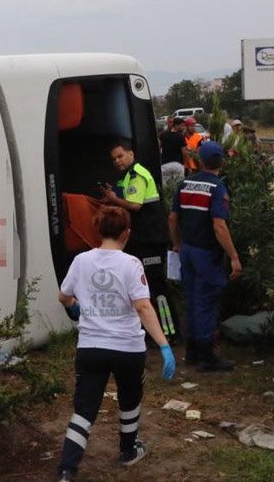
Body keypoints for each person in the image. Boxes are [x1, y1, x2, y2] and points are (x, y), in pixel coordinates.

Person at [56, 206, 175, 482]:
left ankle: (66, 470)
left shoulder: (81, 261)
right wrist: (164, 345)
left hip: (91, 347)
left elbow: (63, 296)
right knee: (130, 399)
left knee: (84, 410)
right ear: (127, 233)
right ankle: (128, 450)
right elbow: (144, 307)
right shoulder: (131, 264)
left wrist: (76, 307)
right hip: (127, 348)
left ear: (99, 231)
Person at [169, 141, 241, 372]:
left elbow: (172, 218)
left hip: (188, 251)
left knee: (191, 299)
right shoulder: (218, 188)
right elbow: (219, 226)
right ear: (221, 162)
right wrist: (234, 256)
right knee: (207, 303)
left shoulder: (185, 183)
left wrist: (177, 243)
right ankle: (207, 356)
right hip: (206, 254)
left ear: (200, 161)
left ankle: (191, 351)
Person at [101, 141, 179, 343]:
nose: (117, 161)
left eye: (120, 156)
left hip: (151, 239)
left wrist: (113, 199)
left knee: (156, 286)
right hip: (142, 239)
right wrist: (113, 195)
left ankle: (170, 333)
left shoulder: (137, 174)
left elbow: (135, 205)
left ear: (131, 154)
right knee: (142, 288)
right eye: (114, 159)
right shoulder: (127, 176)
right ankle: (153, 332)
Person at [160, 118, 187, 186]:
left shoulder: (164, 134)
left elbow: (158, 147)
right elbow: (184, 152)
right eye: (182, 126)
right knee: (178, 187)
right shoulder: (181, 136)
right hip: (177, 165)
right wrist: (185, 163)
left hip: (165, 165)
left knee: (166, 189)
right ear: (176, 125)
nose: (183, 128)